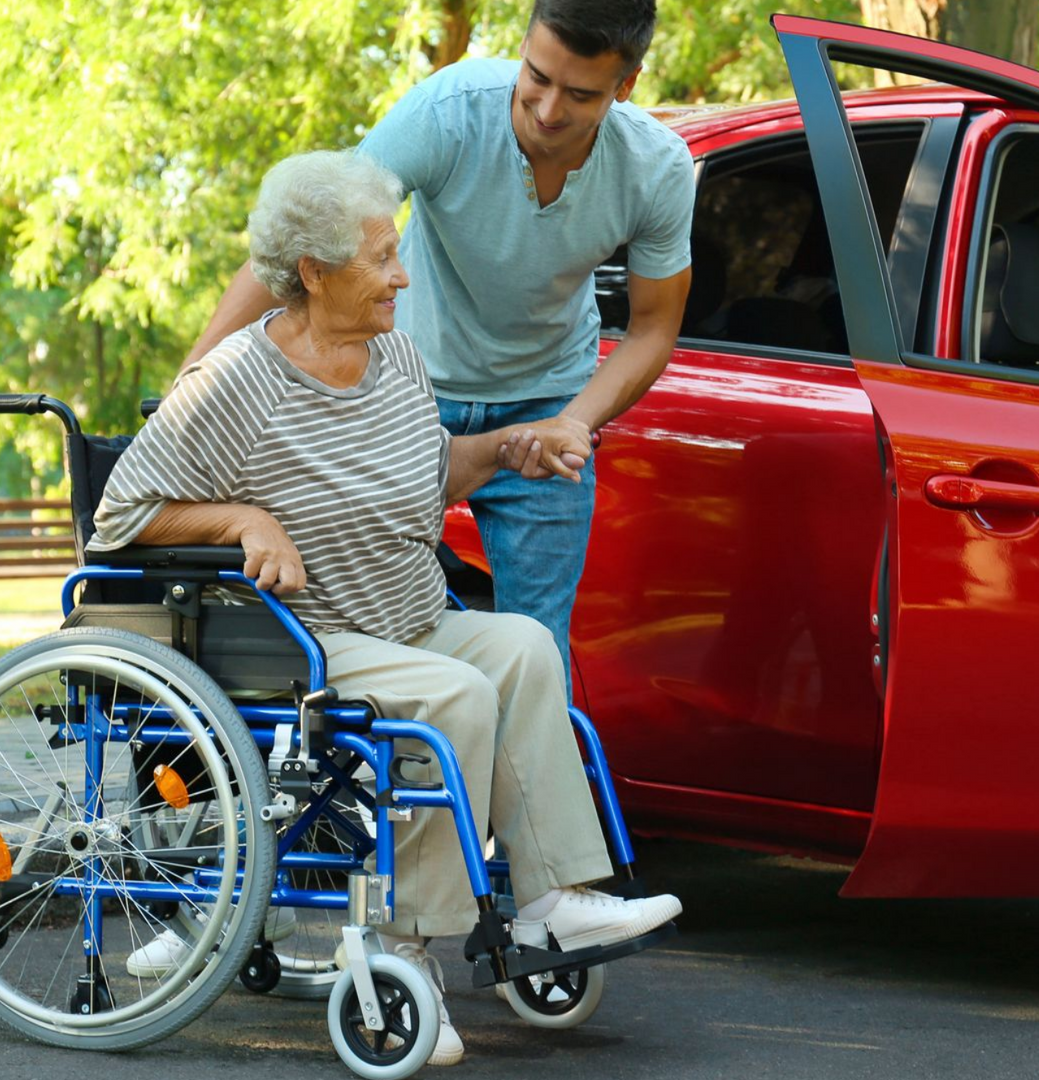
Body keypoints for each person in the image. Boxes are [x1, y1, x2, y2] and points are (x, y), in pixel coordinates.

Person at [91, 150, 682, 1068]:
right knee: (457, 695)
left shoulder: (392, 356)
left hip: (407, 615)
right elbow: (120, 517)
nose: (402, 276)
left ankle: (553, 899)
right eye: (380, 259)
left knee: (525, 646)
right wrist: (244, 516)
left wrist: (506, 450)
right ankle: (405, 947)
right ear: (315, 273)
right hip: (311, 642)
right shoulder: (232, 384)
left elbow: (425, 469)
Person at [181, 0, 694, 686]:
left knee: (537, 645)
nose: (547, 109)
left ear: (625, 86)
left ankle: (517, 793)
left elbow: (655, 326)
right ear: (523, 48)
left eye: (579, 94)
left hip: (547, 401)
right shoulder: (449, 113)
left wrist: (576, 420)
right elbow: (313, 237)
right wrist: (200, 372)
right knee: (359, 619)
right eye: (536, 77)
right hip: (407, 396)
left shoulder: (655, 168)